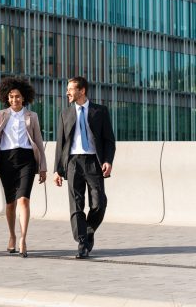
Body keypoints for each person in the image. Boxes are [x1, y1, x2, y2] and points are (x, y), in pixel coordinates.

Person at [0, 77, 47, 258]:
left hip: (26, 159)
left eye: (17, 96)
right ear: (6, 98)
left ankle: (23, 239)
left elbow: (39, 142)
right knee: (10, 203)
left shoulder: (31, 116)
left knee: (24, 200)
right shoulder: (1, 115)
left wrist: (42, 167)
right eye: (11, 97)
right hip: (6, 160)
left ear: (24, 98)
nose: (14, 100)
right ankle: (12, 235)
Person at [53, 76, 116, 259]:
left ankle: (88, 230)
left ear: (82, 91)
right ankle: (82, 243)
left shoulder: (100, 111)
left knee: (99, 203)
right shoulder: (65, 113)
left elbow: (109, 140)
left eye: (70, 89)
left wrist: (108, 160)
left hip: (93, 162)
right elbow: (60, 143)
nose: (67, 93)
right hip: (72, 162)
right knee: (76, 205)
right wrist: (58, 169)